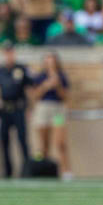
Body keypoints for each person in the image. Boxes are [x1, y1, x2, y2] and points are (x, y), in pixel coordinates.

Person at [0, 42, 33, 177]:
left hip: (18, 108)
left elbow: (30, 88)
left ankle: (27, 170)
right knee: (4, 141)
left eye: (11, 52)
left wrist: (30, 109)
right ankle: (8, 171)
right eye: (6, 52)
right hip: (4, 110)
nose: (9, 55)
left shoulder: (21, 69)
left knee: (22, 140)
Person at [31, 52, 72, 180]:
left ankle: (66, 172)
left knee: (60, 143)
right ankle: (44, 171)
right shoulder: (40, 76)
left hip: (57, 110)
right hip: (43, 108)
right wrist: (46, 85)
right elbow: (35, 96)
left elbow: (65, 97)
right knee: (43, 145)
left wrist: (57, 84)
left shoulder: (61, 76)